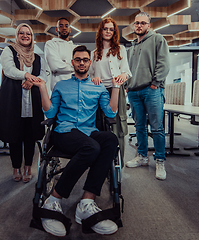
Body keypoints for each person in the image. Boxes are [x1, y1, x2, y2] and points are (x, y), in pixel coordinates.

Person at [32, 45, 125, 237]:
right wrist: (42, 87)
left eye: (85, 59)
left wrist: (115, 87)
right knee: (91, 147)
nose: (81, 62)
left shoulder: (97, 86)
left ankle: (86, 202)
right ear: (72, 62)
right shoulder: (61, 85)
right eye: (78, 59)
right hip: (64, 132)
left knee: (110, 139)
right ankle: (53, 200)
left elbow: (110, 113)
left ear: (90, 63)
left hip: (88, 132)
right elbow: (49, 113)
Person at [0, 23, 45, 183]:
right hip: (13, 99)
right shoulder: (8, 51)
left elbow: (43, 74)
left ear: (32, 37)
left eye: (28, 34)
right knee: (14, 135)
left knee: (30, 136)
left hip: (32, 100)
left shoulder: (37, 57)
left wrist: (32, 81)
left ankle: (28, 166)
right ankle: (16, 167)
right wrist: (26, 76)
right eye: (21, 33)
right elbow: (8, 69)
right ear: (17, 35)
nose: (25, 36)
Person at [125, 12, 170, 180]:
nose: (139, 25)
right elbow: (127, 70)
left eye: (143, 23)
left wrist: (155, 83)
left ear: (149, 25)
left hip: (152, 90)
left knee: (157, 128)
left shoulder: (158, 40)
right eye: (136, 23)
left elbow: (164, 63)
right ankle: (142, 156)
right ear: (133, 25)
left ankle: (159, 160)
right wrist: (127, 87)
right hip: (134, 92)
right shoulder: (132, 48)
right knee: (139, 127)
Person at [89, 17, 131, 163]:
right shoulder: (94, 53)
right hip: (99, 92)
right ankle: (102, 163)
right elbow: (90, 75)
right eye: (105, 28)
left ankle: (118, 163)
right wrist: (94, 78)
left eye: (111, 29)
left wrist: (122, 76)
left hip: (116, 91)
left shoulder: (120, 49)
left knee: (117, 124)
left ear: (114, 32)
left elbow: (127, 71)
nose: (108, 31)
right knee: (101, 125)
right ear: (101, 31)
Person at [44, 17, 76, 91]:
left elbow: (81, 66)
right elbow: (55, 66)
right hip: (58, 88)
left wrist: (64, 63)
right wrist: (73, 67)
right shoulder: (51, 44)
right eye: (61, 26)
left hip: (74, 87)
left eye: (66, 26)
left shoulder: (75, 47)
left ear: (70, 29)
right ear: (56, 29)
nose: (64, 28)